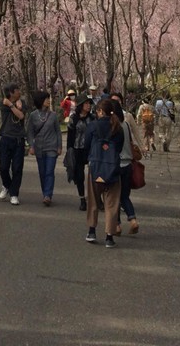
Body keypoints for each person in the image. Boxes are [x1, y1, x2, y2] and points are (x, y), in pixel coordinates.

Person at [84, 98, 124, 247]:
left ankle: (92, 230)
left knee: (94, 200)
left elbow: (87, 145)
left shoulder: (93, 126)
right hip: (112, 169)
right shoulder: (117, 127)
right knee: (112, 203)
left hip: (96, 168)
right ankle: (109, 236)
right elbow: (119, 148)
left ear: (101, 111)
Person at [111, 92, 142, 235]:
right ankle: (133, 219)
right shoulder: (126, 125)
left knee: (114, 196)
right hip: (128, 164)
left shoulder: (112, 125)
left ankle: (117, 225)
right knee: (124, 196)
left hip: (117, 164)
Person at [26, 91, 62, 206]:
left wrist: (59, 146)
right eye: (46, 99)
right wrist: (31, 145)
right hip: (39, 148)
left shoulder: (53, 115)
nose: (48, 101)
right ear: (40, 101)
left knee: (49, 171)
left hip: (51, 147)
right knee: (42, 172)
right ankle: (45, 193)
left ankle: (48, 195)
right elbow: (30, 132)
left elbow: (58, 132)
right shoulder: (33, 116)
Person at [0, 83, 26, 205]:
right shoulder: (3, 103)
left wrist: (15, 104)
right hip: (6, 138)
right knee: (3, 167)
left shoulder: (22, 103)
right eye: (17, 90)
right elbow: (15, 112)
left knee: (17, 168)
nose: (20, 91)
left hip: (19, 139)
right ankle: (7, 185)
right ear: (12, 92)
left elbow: (21, 115)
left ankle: (14, 194)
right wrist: (11, 104)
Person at [66, 93, 94, 210]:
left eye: (89, 103)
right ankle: (82, 199)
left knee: (94, 175)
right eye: (86, 103)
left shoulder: (93, 118)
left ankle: (96, 199)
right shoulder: (73, 118)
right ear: (81, 105)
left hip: (90, 149)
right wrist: (69, 150)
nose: (88, 106)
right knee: (79, 176)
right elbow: (70, 135)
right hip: (77, 149)